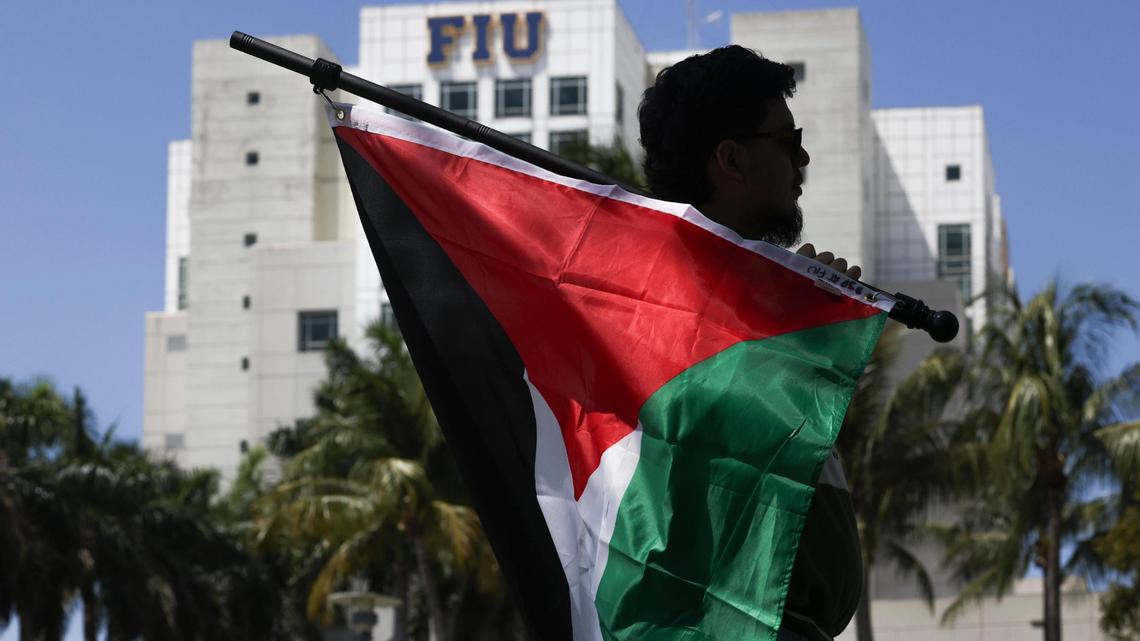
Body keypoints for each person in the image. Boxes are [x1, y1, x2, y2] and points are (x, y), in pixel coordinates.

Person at [637, 45, 863, 641]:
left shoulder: (747, 304)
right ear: (732, 159)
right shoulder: (662, 304)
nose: (803, 158)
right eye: (787, 142)